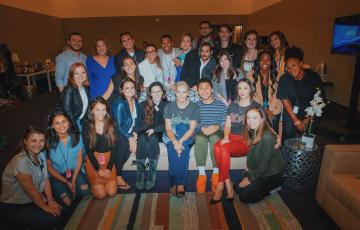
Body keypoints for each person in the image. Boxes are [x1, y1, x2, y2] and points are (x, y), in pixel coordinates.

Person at [0, 127, 62, 230]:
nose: (38, 145)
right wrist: (46, 207)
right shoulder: (21, 161)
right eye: (34, 141)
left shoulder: (41, 155)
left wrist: (51, 200)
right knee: (52, 218)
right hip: (13, 207)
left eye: (41, 141)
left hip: (31, 201)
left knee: (59, 211)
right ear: (25, 141)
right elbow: (31, 190)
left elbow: (45, 179)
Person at [211, 78, 261, 204]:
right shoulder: (232, 105)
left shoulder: (256, 106)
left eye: (245, 88)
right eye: (239, 88)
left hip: (246, 140)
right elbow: (228, 124)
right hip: (232, 137)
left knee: (221, 148)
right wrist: (226, 136)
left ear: (251, 89)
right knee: (217, 146)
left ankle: (221, 185)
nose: (242, 91)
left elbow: (263, 127)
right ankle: (227, 182)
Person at [235, 107, 284, 203]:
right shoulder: (254, 131)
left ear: (262, 119)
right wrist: (250, 169)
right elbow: (256, 155)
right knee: (237, 188)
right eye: (248, 118)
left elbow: (263, 165)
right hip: (260, 170)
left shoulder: (267, 137)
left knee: (244, 197)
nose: (250, 121)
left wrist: (250, 179)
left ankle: (273, 188)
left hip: (271, 173)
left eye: (254, 118)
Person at [46, 109, 89, 214]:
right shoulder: (48, 142)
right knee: (68, 203)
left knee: (85, 193)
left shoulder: (76, 137)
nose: (61, 126)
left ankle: (70, 190)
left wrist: (73, 180)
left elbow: (79, 160)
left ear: (69, 122)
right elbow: (49, 168)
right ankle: (61, 192)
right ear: (52, 125)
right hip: (57, 175)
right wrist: (66, 182)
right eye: (57, 123)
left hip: (75, 172)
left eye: (64, 121)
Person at [277, 46, 324, 140]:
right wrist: (296, 121)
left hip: (311, 111)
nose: (290, 70)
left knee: (309, 133)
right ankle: (287, 151)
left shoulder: (313, 77)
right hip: (292, 111)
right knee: (289, 132)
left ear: (301, 64)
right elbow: (285, 100)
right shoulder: (284, 79)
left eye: (293, 65)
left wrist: (309, 117)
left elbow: (320, 99)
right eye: (288, 67)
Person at [163, 81, 200, 198]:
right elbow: (168, 129)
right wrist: (175, 142)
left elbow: (191, 129)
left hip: (187, 135)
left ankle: (176, 182)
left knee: (183, 127)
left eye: (184, 92)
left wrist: (180, 142)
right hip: (172, 135)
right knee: (171, 149)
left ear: (188, 93)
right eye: (179, 91)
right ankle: (179, 183)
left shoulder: (194, 107)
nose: (181, 94)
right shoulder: (169, 107)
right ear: (175, 92)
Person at [133, 82, 168, 191]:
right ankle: (140, 174)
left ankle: (152, 174)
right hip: (144, 130)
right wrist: (136, 132)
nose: (157, 94)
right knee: (142, 139)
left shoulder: (168, 105)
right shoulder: (142, 104)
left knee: (153, 139)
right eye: (154, 92)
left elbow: (168, 124)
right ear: (150, 93)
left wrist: (155, 129)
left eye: (159, 91)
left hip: (159, 132)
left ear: (162, 92)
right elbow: (137, 122)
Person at [195, 78, 227, 193]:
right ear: (198, 91)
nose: (204, 91)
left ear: (212, 89)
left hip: (217, 131)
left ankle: (216, 173)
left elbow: (225, 122)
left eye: (207, 88)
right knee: (199, 138)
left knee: (214, 138)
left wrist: (217, 127)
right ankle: (202, 174)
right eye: (201, 89)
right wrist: (201, 127)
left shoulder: (221, 105)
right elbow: (193, 123)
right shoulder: (195, 106)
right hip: (201, 131)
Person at [82, 97, 118, 199]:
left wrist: (109, 168)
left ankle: (105, 183)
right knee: (101, 195)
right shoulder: (86, 125)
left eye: (103, 110)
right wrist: (98, 169)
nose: (101, 113)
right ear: (92, 110)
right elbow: (88, 151)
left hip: (108, 159)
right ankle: (92, 182)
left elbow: (114, 148)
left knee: (111, 192)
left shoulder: (112, 123)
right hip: (94, 160)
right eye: (97, 110)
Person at [111, 78, 139, 190]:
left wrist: (135, 133)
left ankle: (115, 172)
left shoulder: (134, 101)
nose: (130, 90)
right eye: (126, 88)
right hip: (119, 132)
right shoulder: (119, 104)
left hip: (130, 131)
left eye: (132, 87)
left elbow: (136, 120)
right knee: (124, 144)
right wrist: (130, 138)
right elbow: (117, 125)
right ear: (121, 90)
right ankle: (118, 176)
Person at [248, 51, 282, 133]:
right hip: (258, 107)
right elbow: (252, 94)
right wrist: (263, 108)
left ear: (271, 62)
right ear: (258, 61)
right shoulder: (251, 74)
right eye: (262, 60)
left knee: (273, 132)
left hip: (275, 107)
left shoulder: (278, 74)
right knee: (260, 132)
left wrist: (270, 109)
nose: (265, 62)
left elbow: (278, 93)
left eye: (268, 60)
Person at [60, 62, 90, 131]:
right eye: (77, 73)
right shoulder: (69, 90)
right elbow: (68, 113)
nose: (81, 76)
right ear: (72, 75)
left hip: (82, 120)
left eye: (83, 72)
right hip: (73, 123)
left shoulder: (85, 87)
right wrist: (76, 128)